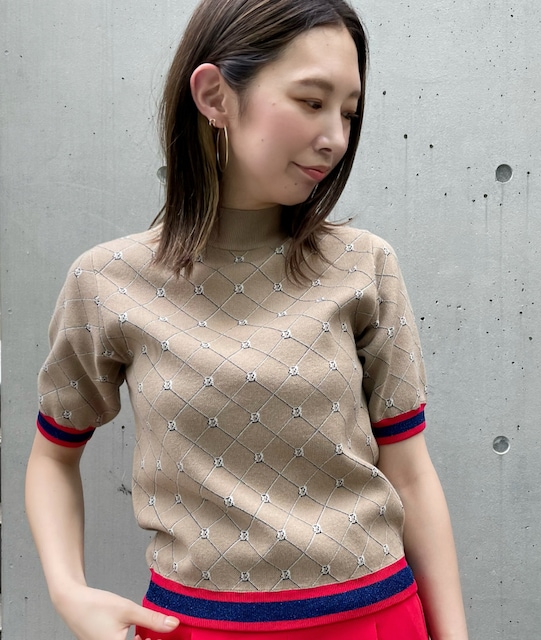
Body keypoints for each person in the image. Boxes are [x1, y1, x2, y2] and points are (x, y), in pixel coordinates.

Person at [25, 1, 469, 638]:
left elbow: (412, 474)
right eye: (312, 102)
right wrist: (69, 593)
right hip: (195, 625)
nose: (336, 138)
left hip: (376, 619)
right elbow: (53, 455)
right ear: (215, 96)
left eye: (349, 112)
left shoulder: (363, 265)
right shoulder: (107, 282)